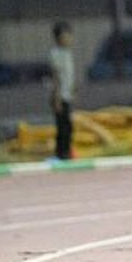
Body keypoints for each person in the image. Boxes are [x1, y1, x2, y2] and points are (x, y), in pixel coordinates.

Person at [48, 21, 76, 160]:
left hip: (67, 95)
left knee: (69, 126)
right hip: (60, 97)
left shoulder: (67, 53)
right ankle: (61, 154)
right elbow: (56, 77)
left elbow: (70, 75)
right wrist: (57, 98)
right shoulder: (56, 54)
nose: (69, 39)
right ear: (58, 38)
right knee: (62, 127)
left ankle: (67, 151)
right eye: (66, 36)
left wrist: (73, 90)